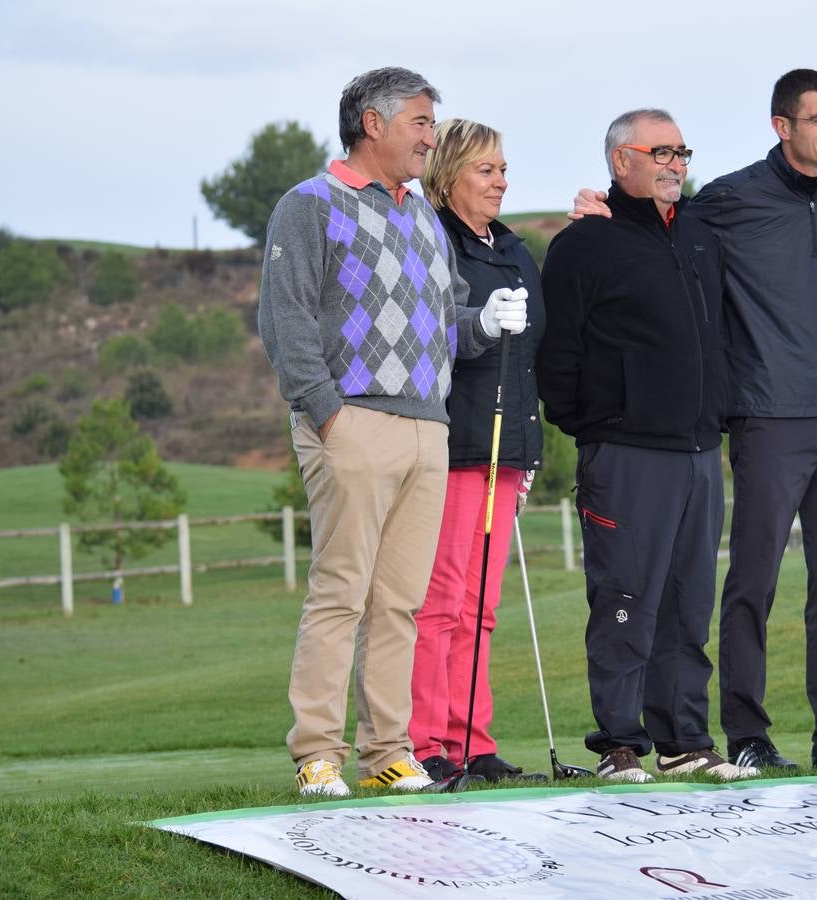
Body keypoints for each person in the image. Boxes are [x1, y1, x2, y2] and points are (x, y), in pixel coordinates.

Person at [571, 70, 817, 776]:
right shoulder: (730, 199)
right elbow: (660, 218)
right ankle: (748, 734)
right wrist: (602, 211)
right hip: (766, 418)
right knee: (750, 586)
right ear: (782, 126)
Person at [258, 67, 528, 798]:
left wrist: (485, 321)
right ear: (372, 125)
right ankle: (318, 752)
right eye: (418, 123)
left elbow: (449, 326)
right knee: (341, 591)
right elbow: (284, 320)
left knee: (400, 601)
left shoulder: (422, 219)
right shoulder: (310, 205)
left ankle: (387, 753)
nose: (429, 138)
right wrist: (328, 413)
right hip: (352, 419)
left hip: (426, 427)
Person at [538, 109, 756, 784]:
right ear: (619, 161)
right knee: (626, 598)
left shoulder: (697, 234)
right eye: (660, 151)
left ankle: (685, 739)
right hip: (625, 451)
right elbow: (558, 354)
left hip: (697, 452)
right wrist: (595, 423)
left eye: (682, 151)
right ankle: (618, 744)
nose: (675, 163)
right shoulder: (584, 245)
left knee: (689, 602)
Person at [409, 119, 547, 784]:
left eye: (502, 169)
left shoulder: (515, 250)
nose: (501, 181)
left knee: (482, 608)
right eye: (486, 170)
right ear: (449, 174)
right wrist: (484, 326)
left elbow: (534, 351)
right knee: (442, 601)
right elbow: (437, 334)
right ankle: (426, 743)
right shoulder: (433, 241)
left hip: (506, 450)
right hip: (459, 443)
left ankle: (473, 740)